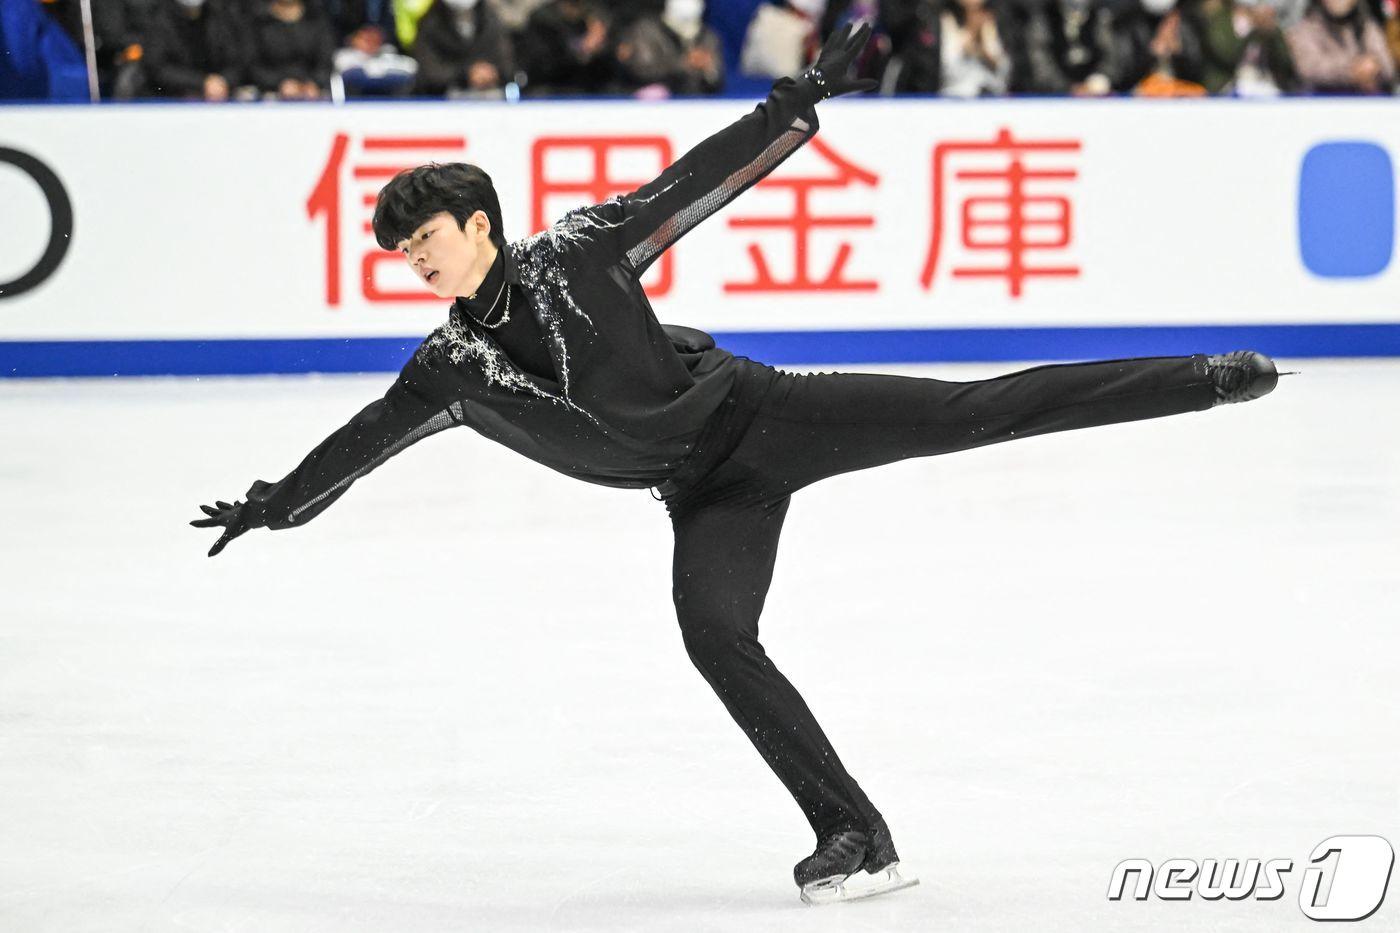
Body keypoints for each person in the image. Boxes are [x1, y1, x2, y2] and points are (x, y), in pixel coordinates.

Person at [191, 22, 1284, 905]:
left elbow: (694, 181)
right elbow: (365, 441)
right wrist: (275, 506)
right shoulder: (447, 367)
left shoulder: (576, 251)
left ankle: (1204, 377)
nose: (413, 261)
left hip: (765, 417)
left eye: (423, 240)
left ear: (477, 223)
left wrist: (795, 102)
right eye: (402, 252)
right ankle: (853, 833)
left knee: (971, 411)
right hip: (703, 491)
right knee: (716, 636)